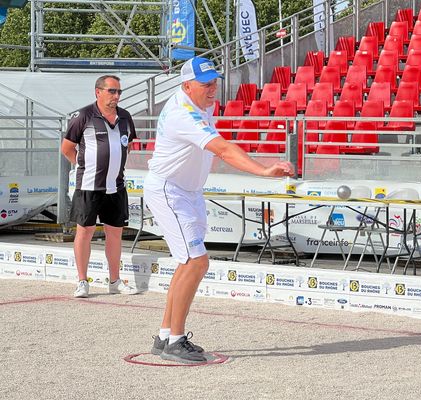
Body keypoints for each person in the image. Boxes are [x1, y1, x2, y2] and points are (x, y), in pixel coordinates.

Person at [143, 56, 294, 363]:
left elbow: (220, 149)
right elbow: (223, 150)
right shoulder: (183, 113)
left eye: (214, 82)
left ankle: (164, 336)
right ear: (187, 85)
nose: (213, 89)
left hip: (187, 191)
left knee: (188, 263)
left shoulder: (198, 104)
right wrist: (263, 171)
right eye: (205, 84)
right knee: (197, 262)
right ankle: (175, 340)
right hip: (170, 190)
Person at [61, 75, 138, 298]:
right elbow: (67, 148)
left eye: (119, 92)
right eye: (112, 91)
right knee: (85, 232)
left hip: (116, 186)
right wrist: (83, 165)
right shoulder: (83, 116)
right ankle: (82, 281)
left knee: (115, 234)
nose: (116, 96)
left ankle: (114, 281)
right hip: (88, 186)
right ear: (98, 92)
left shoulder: (125, 117)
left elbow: (128, 146)